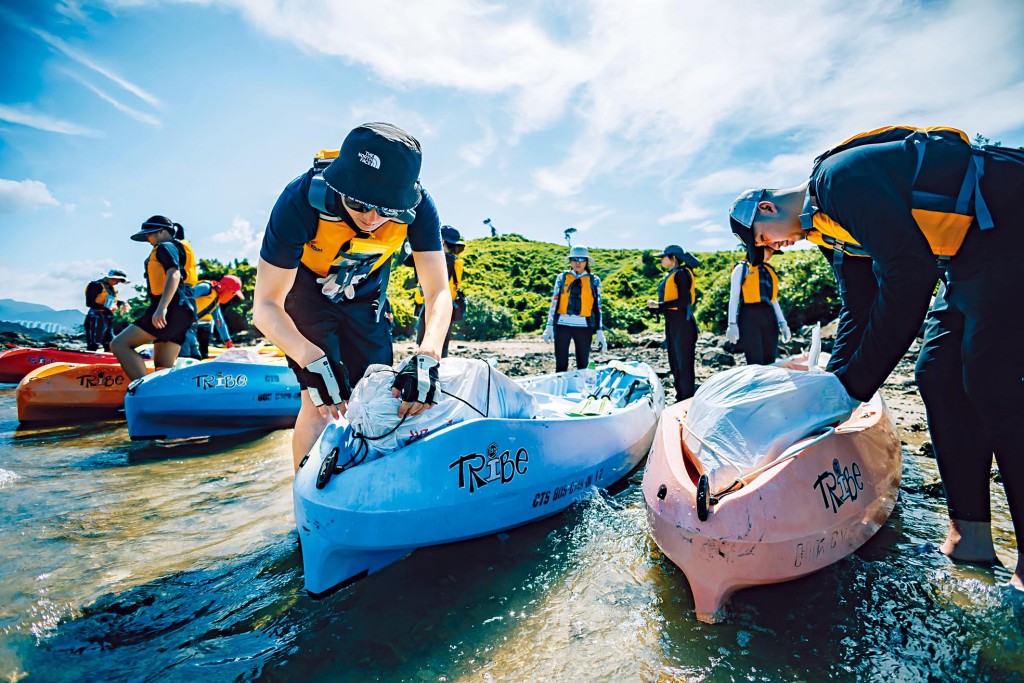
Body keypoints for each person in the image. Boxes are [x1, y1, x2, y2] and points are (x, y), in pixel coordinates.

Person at [727, 126, 1024, 590]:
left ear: (766, 208)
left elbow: (910, 276)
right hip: (970, 252)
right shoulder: (827, 231)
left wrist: (853, 389)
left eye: (762, 239)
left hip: (1008, 217)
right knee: (936, 375)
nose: (770, 250)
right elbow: (859, 306)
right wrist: (834, 393)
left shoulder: (838, 182)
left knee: (988, 377)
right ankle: (971, 540)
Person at [253, 123, 452, 472]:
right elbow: (265, 306)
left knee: (377, 388)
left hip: (366, 290)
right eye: (359, 202)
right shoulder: (298, 200)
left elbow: (437, 292)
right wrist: (308, 357)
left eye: (387, 208)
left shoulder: (421, 207)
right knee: (319, 399)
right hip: (306, 291)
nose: (372, 218)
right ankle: (306, 501)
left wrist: (428, 355)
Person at [111, 215, 197, 379]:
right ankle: (161, 397)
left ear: (163, 232)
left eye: (149, 234)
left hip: (172, 306)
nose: (148, 238)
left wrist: (162, 308)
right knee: (163, 367)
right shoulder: (177, 247)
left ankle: (143, 391)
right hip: (185, 309)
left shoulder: (165, 247)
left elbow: (174, 274)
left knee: (120, 344)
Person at [646, 244, 699, 401]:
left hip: (683, 324)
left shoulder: (681, 274)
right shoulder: (672, 274)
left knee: (684, 364)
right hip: (673, 324)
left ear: (673, 258)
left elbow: (683, 301)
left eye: (663, 257)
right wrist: (656, 308)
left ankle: (687, 399)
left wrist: (659, 305)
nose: (661, 260)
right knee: (675, 363)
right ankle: (680, 398)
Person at [543, 245, 607, 373]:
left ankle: (581, 389)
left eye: (581, 259)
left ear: (586, 261)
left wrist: (599, 331)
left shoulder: (594, 280)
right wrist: (549, 326)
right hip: (562, 326)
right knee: (561, 365)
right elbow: (554, 302)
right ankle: (560, 391)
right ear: (570, 261)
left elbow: (598, 307)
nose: (577, 262)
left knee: (583, 365)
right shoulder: (562, 278)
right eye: (574, 259)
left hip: (584, 327)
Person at [407, 225, 466, 357]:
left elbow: (408, 261)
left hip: (433, 306)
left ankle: (428, 373)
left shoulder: (442, 260)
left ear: (442, 241)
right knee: (442, 344)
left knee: (426, 344)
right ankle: (439, 372)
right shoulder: (455, 261)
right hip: (447, 306)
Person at [726, 247, 792, 364]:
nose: (771, 255)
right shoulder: (742, 268)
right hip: (749, 316)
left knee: (770, 361)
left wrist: (783, 323)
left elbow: (773, 299)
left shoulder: (768, 270)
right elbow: (734, 298)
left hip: (769, 316)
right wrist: (732, 323)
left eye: (772, 252)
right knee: (755, 361)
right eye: (769, 251)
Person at [191, 275, 244, 358]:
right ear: (226, 288)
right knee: (189, 354)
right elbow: (185, 298)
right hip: (177, 323)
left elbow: (220, 323)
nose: (232, 297)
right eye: (233, 293)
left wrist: (228, 341)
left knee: (200, 356)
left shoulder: (215, 302)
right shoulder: (206, 288)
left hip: (186, 326)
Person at [84, 269, 129, 351]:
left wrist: (122, 303)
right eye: (116, 280)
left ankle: (108, 360)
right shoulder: (95, 285)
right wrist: (107, 308)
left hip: (107, 318)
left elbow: (111, 301)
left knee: (110, 343)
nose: (117, 282)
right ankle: (87, 359)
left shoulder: (112, 289)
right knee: (94, 344)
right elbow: (89, 302)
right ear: (110, 277)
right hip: (96, 318)